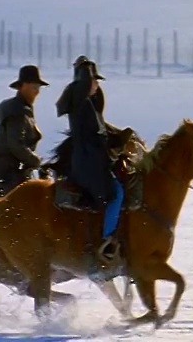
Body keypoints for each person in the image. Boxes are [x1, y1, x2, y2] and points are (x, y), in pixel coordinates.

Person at [55, 56, 139, 262]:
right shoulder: (82, 107)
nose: (97, 85)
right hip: (88, 165)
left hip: (92, 162)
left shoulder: (86, 106)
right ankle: (106, 241)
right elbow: (97, 139)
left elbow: (102, 132)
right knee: (115, 195)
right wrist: (117, 145)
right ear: (85, 81)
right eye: (94, 80)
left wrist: (122, 137)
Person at [0, 65, 49, 197]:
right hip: (8, 174)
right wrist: (35, 161)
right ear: (22, 86)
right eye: (33, 87)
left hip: (10, 171)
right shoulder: (17, 111)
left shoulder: (21, 108)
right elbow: (16, 145)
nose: (36, 91)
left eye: (38, 88)